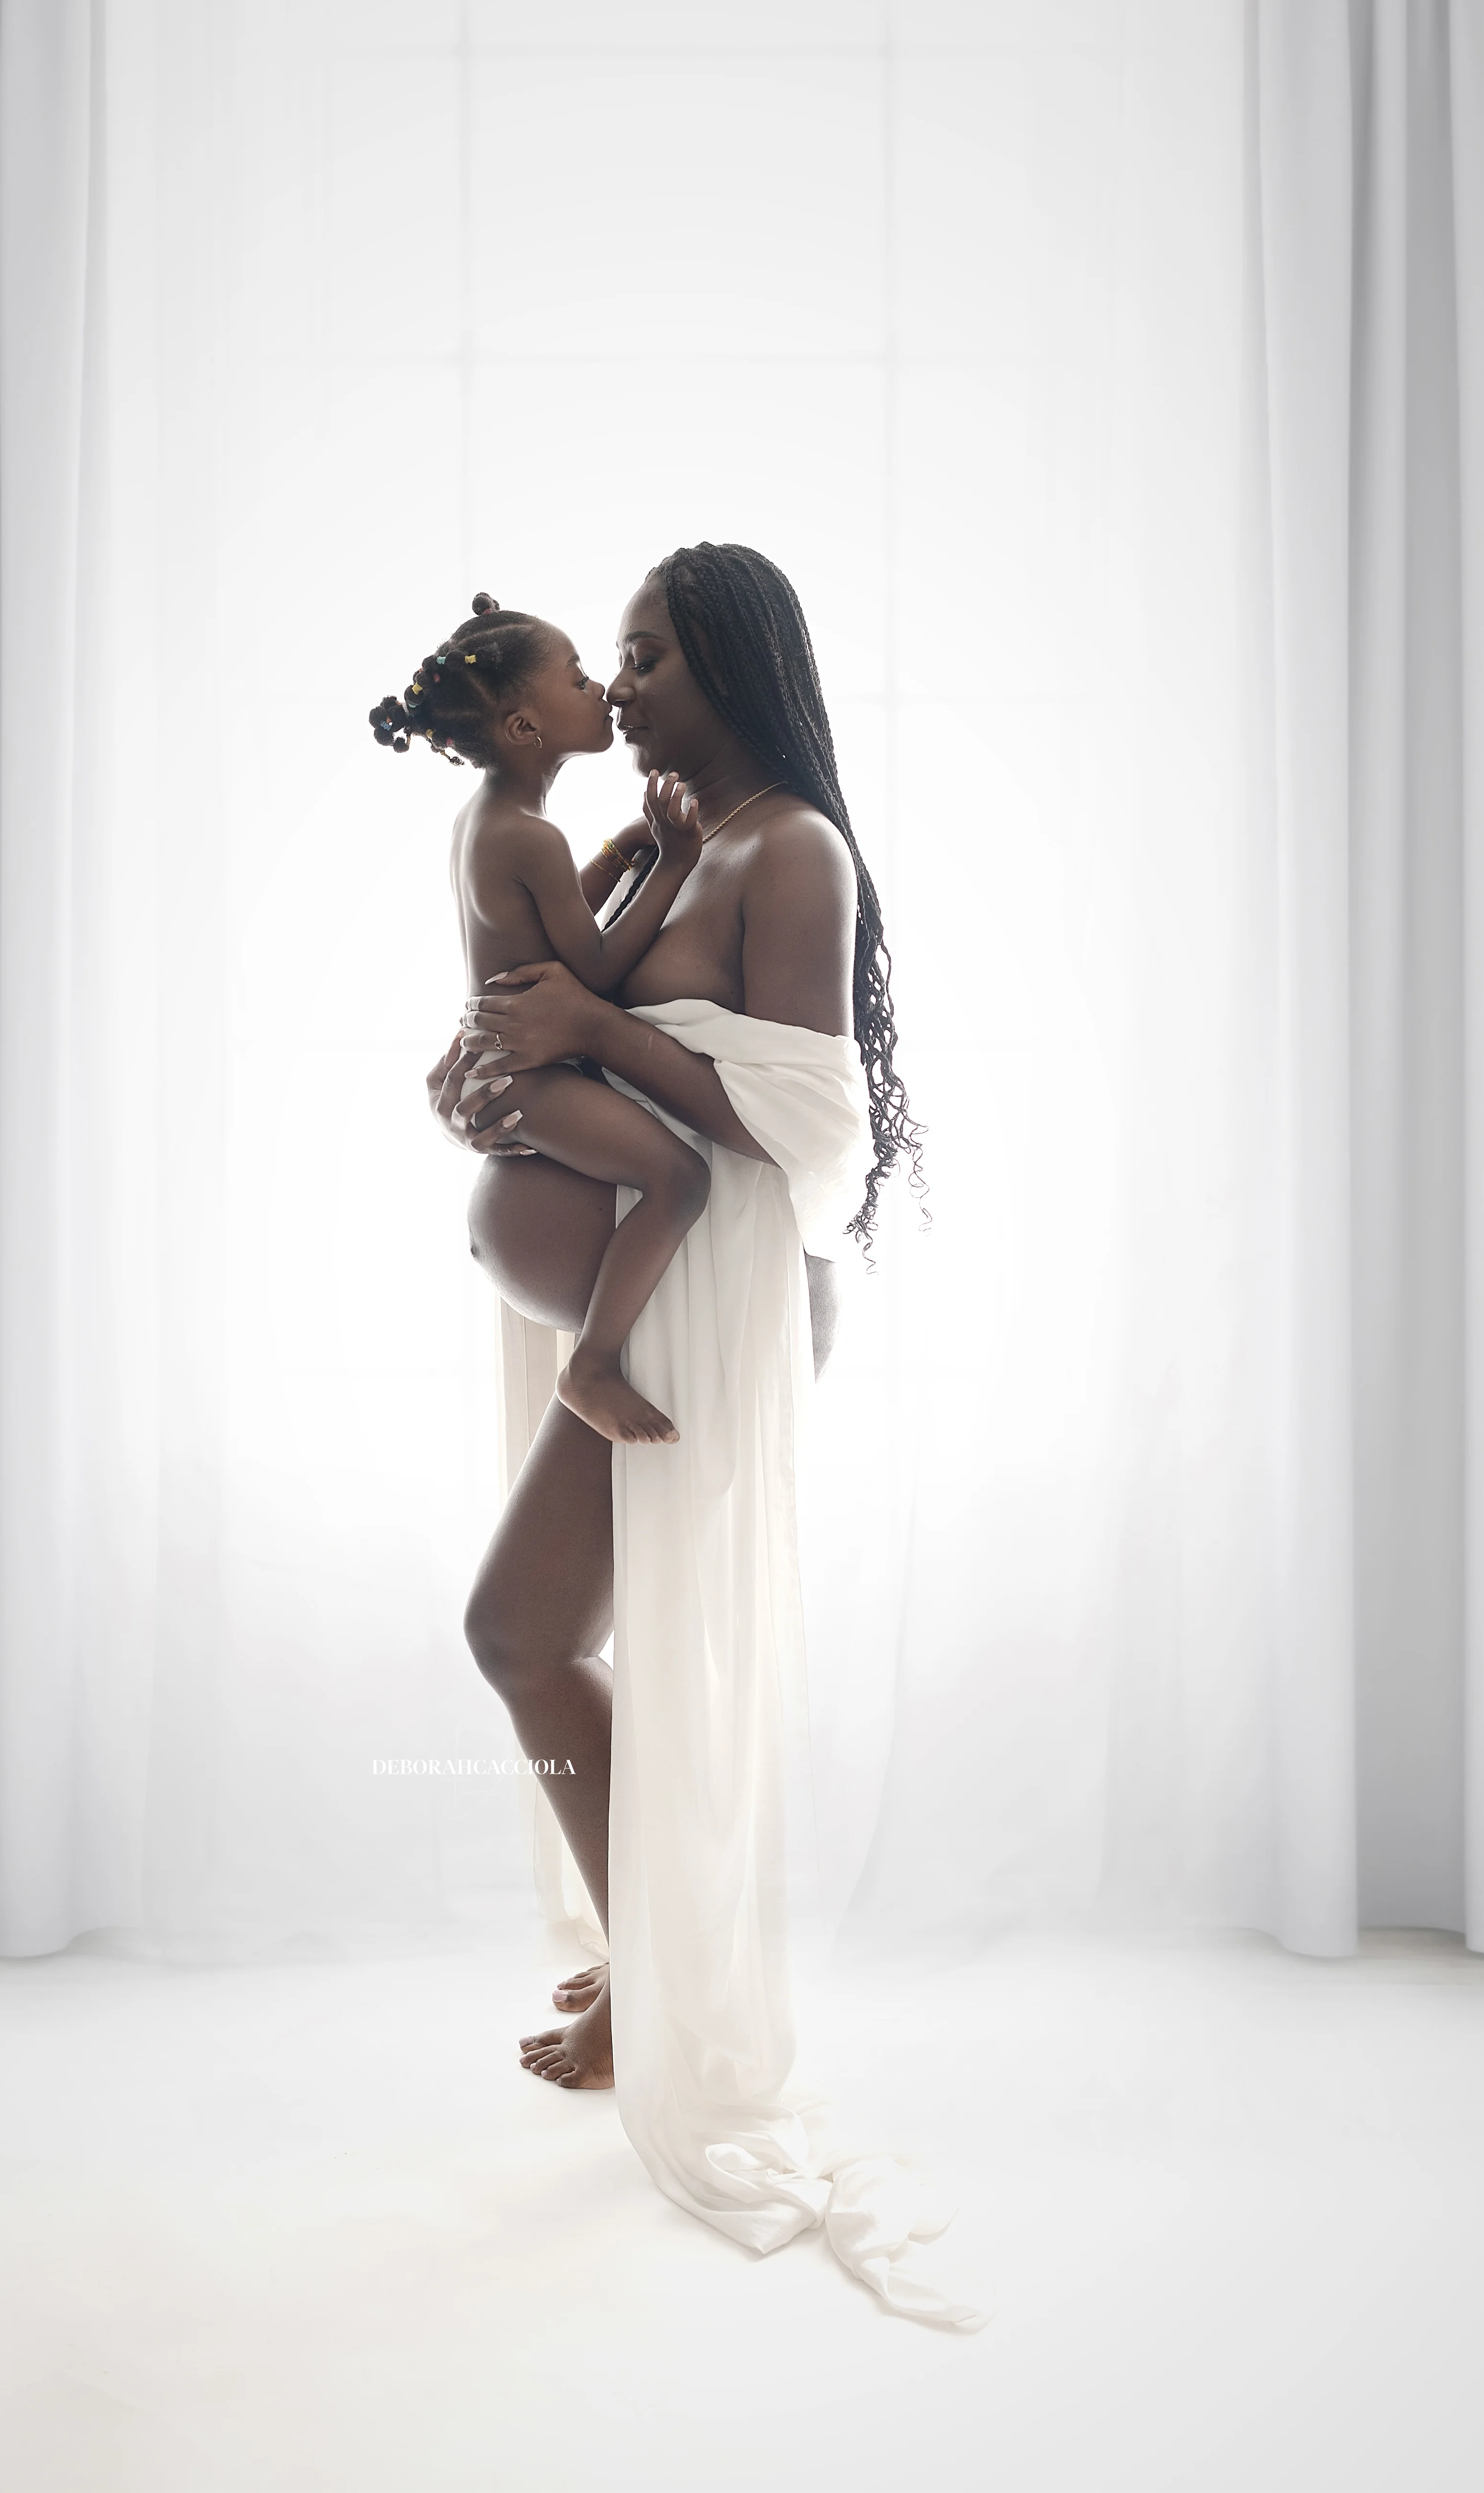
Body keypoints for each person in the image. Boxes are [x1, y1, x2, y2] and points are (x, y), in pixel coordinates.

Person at [427, 546, 972, 2329]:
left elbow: (811, 1138)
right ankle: (653, 1976)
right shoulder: (684, 843)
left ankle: (675, 2001)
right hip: (634, 1301)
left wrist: (594, 1028)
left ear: (730, 660)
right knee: (546, 1643)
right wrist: (491, 1071)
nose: (628, 684)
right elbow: (595, 1035)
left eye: (649, 654)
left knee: (524, 1637)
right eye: (617, 659)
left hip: (704, 1314)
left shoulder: (791, 849)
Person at [370, 593, 709, 1445]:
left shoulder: (496, 822)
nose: (603, 691)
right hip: (526, 1072)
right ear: (526, 729)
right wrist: (671, 865)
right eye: (580, 677)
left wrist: (613, 858)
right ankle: (592, 1365)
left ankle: (593, 1359)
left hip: (507, 1061)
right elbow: (589, 971)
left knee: (673, 1179)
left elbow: (547, 930)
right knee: (683, 1181)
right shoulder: (527, 836)